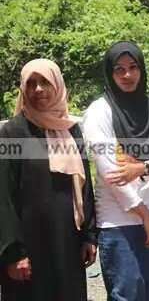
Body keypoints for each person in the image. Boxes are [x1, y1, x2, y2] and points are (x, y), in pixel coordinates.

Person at [0, 59, 97, 301]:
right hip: (29, 250)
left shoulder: (71, 130)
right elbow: (4, 198)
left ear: (58, 85)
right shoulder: (13, 132)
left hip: (68, 243)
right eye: (31, 83)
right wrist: (14, 254)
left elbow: (85, 186)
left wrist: (89, 235)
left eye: (45, 82)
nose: (38, 89)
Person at [83, 41, 149, 301]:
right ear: (109, 73)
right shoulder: (99, 111)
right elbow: (111, 173)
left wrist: (144, 167)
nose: (127, 75)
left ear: (141, 69)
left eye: (133, 67)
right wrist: (143, 214)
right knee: (127, 293)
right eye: (119, 69)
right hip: (117, 220)